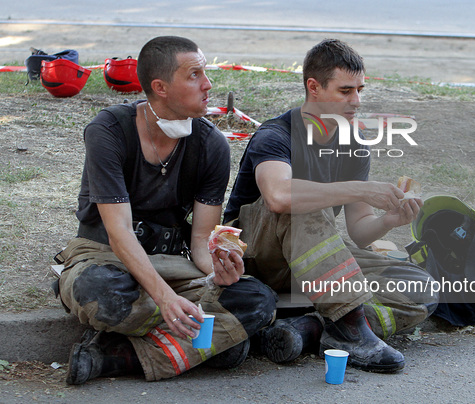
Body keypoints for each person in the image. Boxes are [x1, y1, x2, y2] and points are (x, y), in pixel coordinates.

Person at [54, 36, 276, 385]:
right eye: (194, 75)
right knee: (97, 291)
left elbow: (202, 238)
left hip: (173, 263)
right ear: (160, 87)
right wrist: (166, 299)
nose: (208, 84)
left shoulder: (212, 145)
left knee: (256, 298)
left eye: (206, 73)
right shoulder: (108, 131)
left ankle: (118, 356)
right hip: (107, 255)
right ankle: (210, 345)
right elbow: (119, 232)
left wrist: (219, 270)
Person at [223, 39, 439, 373]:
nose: (357, 101)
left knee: (421, 288)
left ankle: (309, 331)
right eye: (345, 91)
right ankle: (351, 330)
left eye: (360, 89)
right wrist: (361, 189)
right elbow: (278, 196)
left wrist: (389, 220)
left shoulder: (354, 144)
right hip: (255, 257)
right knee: (304, 205)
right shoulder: (276, 134)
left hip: (313, 260)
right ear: (314, 87)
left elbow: (360, 232)